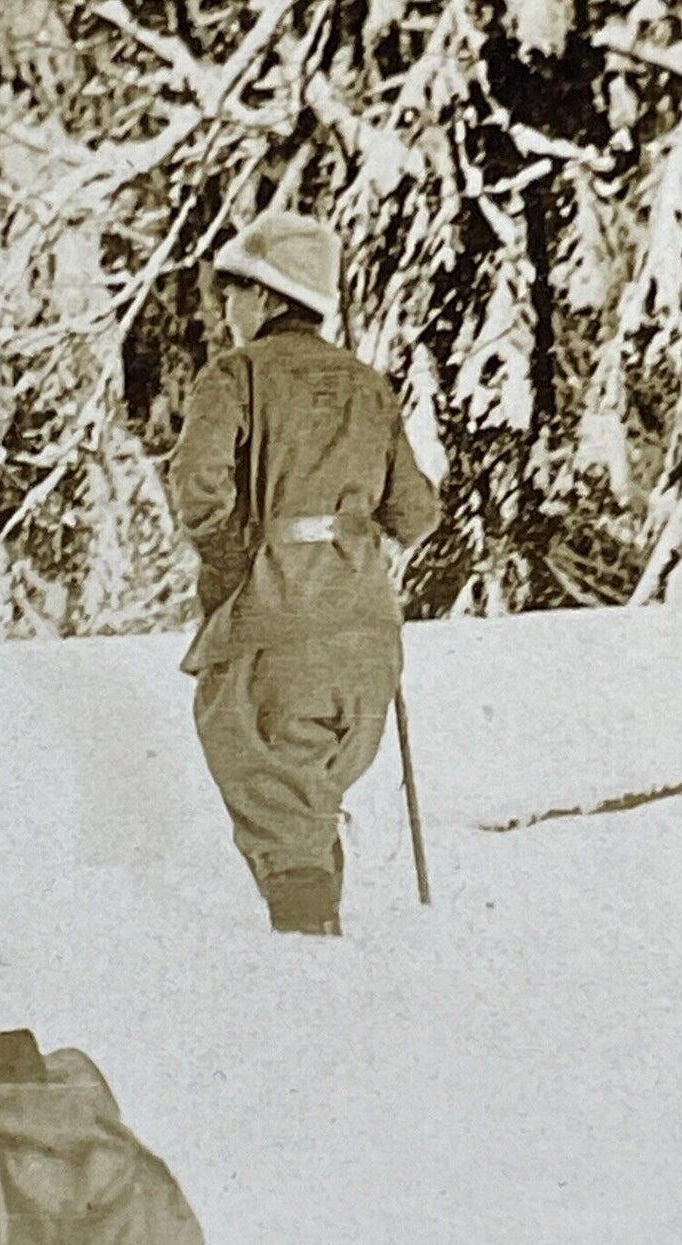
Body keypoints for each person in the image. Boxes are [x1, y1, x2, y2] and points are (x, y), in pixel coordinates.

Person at [166, 212, 441, 936]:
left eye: (233, 293)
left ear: (264, 297)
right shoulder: (368, 386)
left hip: (277, 630)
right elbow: (415, 513)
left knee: (278, 810)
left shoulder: (234, 376)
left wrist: (237, 566)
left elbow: (197, 488)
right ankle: (330, 983)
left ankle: (309, 972)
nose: (226, 309)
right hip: (366, 644)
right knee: (304, 808)